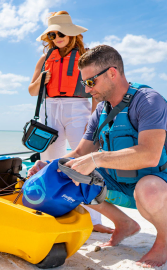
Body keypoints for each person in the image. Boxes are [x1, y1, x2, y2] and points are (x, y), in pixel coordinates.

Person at [29, 45, 167, 268]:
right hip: (122, 183)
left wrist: (98, 159)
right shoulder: (100, 112)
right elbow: (79, 153)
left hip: (166, 185)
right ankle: (123, 223)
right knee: (68, 175)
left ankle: (164, 239)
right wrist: (49, 165)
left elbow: (151, 155)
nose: (86, 90)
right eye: (83, 83)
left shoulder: (149, 101)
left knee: (148, 189)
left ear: (112, 73)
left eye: (90, 82)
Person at [28, 11, 113, 234]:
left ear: (72, 33)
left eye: (60, 32)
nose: (57, 37)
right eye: (52, 34)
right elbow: (31, 91)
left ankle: (95, 221)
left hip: (79, 109)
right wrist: (41, 80)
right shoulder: (45, 59)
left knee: (85, 163)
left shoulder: (85, 57)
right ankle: (48, 208)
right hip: (51, 109)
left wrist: (93, 119)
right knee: (49, 161)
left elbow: (96, 91)